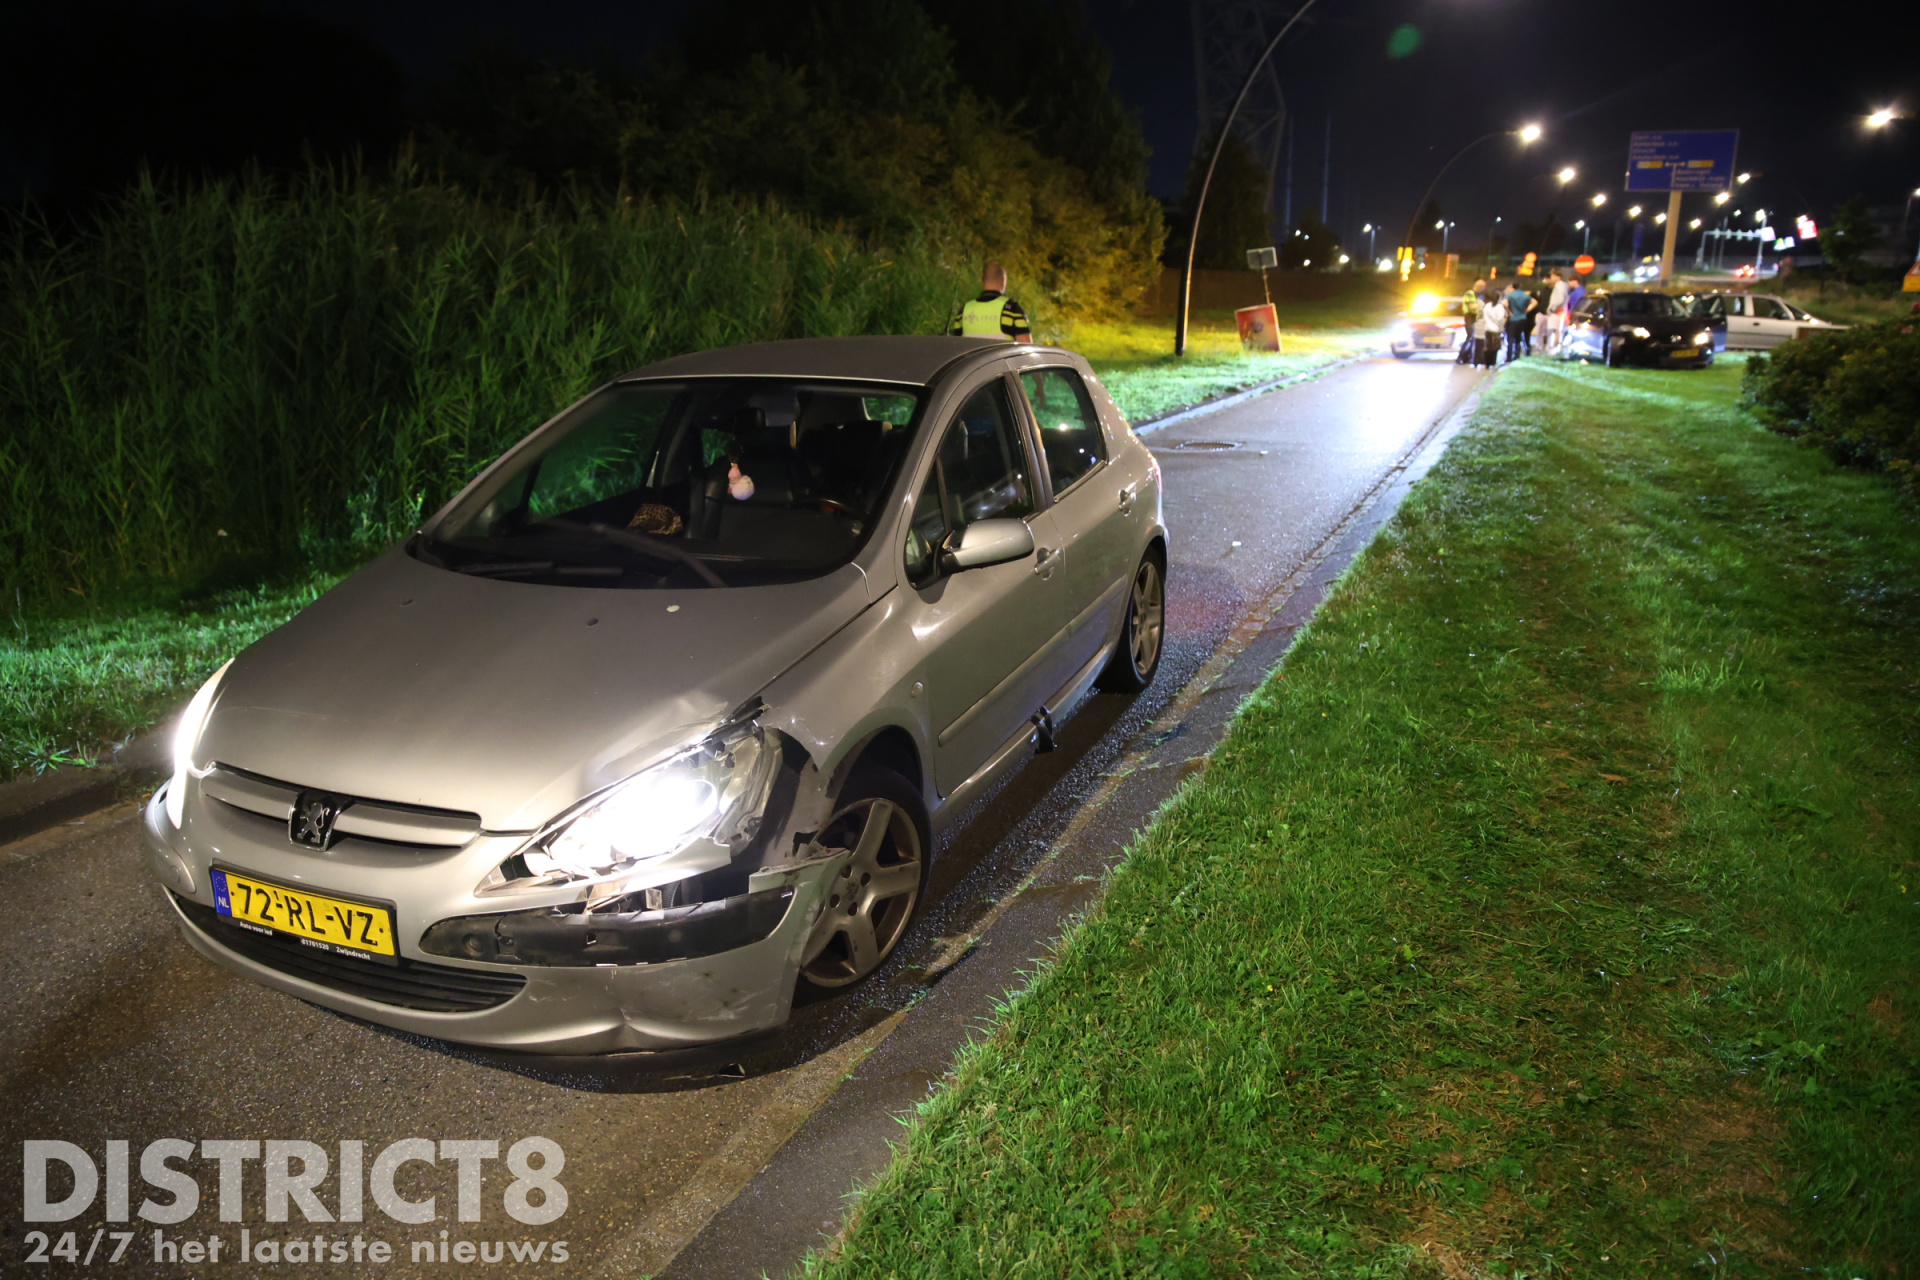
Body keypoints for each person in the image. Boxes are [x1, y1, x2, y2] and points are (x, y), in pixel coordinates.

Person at [949, 262, 1033, 343]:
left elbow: (957, 345)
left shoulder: (964, 311)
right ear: (1003, 281)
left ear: (982, 281)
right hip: (1002, 358)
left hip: (972, 358)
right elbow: (1026, 350)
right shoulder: (1012, 311)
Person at [1503, 279, 1535, 361]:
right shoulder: (1523, 295)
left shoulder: (1511, 295)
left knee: (1510, 338)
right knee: (1518, 338)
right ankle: (1516, 355)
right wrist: (1527, 310)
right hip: (1522, 318)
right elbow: (1534, 302)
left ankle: (1508, 357)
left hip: (1513, 319)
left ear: (1512, 287)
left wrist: (1509, 312)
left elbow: (1504, 303)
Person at [1456, 279, 1485, 365]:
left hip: (1473, 318)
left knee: (1472, 338)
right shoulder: (1470, 293)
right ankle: (1461, 357)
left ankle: (1466, 357)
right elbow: (1472, 306)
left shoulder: (1476, 295)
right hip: (1469, 317)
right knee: (1470, 337)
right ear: (1481, 287)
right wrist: (1481, 309)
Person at [1477, 287, 1507, 368]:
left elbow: (1484, 316)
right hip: (1496, 330)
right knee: (1495, 347)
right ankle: (1493, 362)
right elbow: (1500, 319)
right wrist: (1501, 329)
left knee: (1487, 347)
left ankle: (1486, 363)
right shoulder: (1499, 307)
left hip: (1487, 329)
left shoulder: (1487, 306)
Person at [1545, 268, 1571, 354]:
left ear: (1558, 277)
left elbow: (1560, 300)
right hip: (1558, 312)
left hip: (1557, 312)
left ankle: (1555, 349)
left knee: (1557, 331)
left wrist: (1553, 308)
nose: (1551, 278)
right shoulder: (1560, 285)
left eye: (1553, 276)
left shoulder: (1560, 285)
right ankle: (1555, 348)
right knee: (1555, 331)